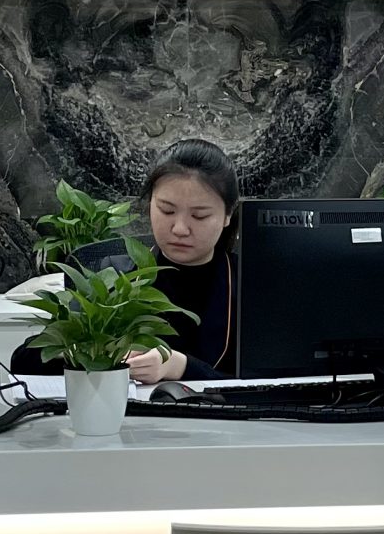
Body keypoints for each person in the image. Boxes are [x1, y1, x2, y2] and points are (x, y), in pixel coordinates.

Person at [43, 138, 242, 384]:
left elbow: (275, 381)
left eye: (199, 216)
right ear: (150, 204)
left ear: (227, 215)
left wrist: (181, 367)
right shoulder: (112, 273)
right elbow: (25, 359)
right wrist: (88, 349)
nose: (180, 229)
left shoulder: (253, 285)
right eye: (167, 210)